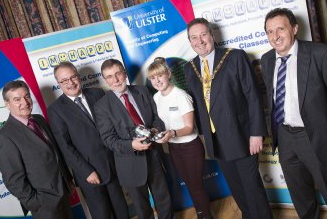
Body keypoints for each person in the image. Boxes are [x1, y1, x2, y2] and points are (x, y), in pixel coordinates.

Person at [184, 18, 273, 219]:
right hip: (216, 139)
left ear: (212, 35)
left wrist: (257, 133)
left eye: (203, 34)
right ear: (190, 41)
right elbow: (196, 105)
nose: (200, 40)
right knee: (237, 188)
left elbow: (252, 95)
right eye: (194, 37)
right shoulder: (190, 68)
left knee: (252, 188)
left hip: (241, 135)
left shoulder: (235, 57)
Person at [261, 8, 327, 219]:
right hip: (285, 137)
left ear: (295, 28)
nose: (275, 36)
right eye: (270, 31)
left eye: (281, 29)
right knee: (300, 195)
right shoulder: (267, 59)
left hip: (315, 135)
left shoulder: (319, 53)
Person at [47, 61, 129, 219]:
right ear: (58, 83)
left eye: (73, 77)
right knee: (102, 213)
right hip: (89, 173)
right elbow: (65, 147)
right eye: (64, 81)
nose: (70, 83)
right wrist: (87, 171)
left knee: (121, 209)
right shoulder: (56, 110)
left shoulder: (97, 93)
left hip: (112, 164)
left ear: (78, 76)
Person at [94, 59, 172, 219]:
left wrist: (155, 129)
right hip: (130, 163)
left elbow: (158, 117)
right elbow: (109, 139)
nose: (115, 80)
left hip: (154, 156)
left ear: (124, 73)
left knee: (164, 200)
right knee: (143, 209)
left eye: (118, 74)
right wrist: (132, 145)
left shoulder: (142, 90)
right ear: (105, 80)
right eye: (109, 77)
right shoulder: (102, 106)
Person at [0, 80, 73, 219]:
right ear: (7, 104)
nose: (24, 102)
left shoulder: (39, 119)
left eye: (27, 96)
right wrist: (37, 203)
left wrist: (68, 180)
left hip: (63, 194)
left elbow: (55, 154)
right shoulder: (4, 137)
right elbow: (14, 181)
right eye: (17, 99)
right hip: (45, 206)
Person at [147, 59, 212, 219]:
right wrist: (156, 131)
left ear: (169, 74)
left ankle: (206, 216)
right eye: (153, 78)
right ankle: (201, 213)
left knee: (196, 186)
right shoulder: (156, 98)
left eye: (160, 75)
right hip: (174, 149)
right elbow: (161, 121)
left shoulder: (181, 96)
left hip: (191, 147)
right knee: (190, 185)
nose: (157, 80)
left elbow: (190, 127)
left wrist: (172, 134)